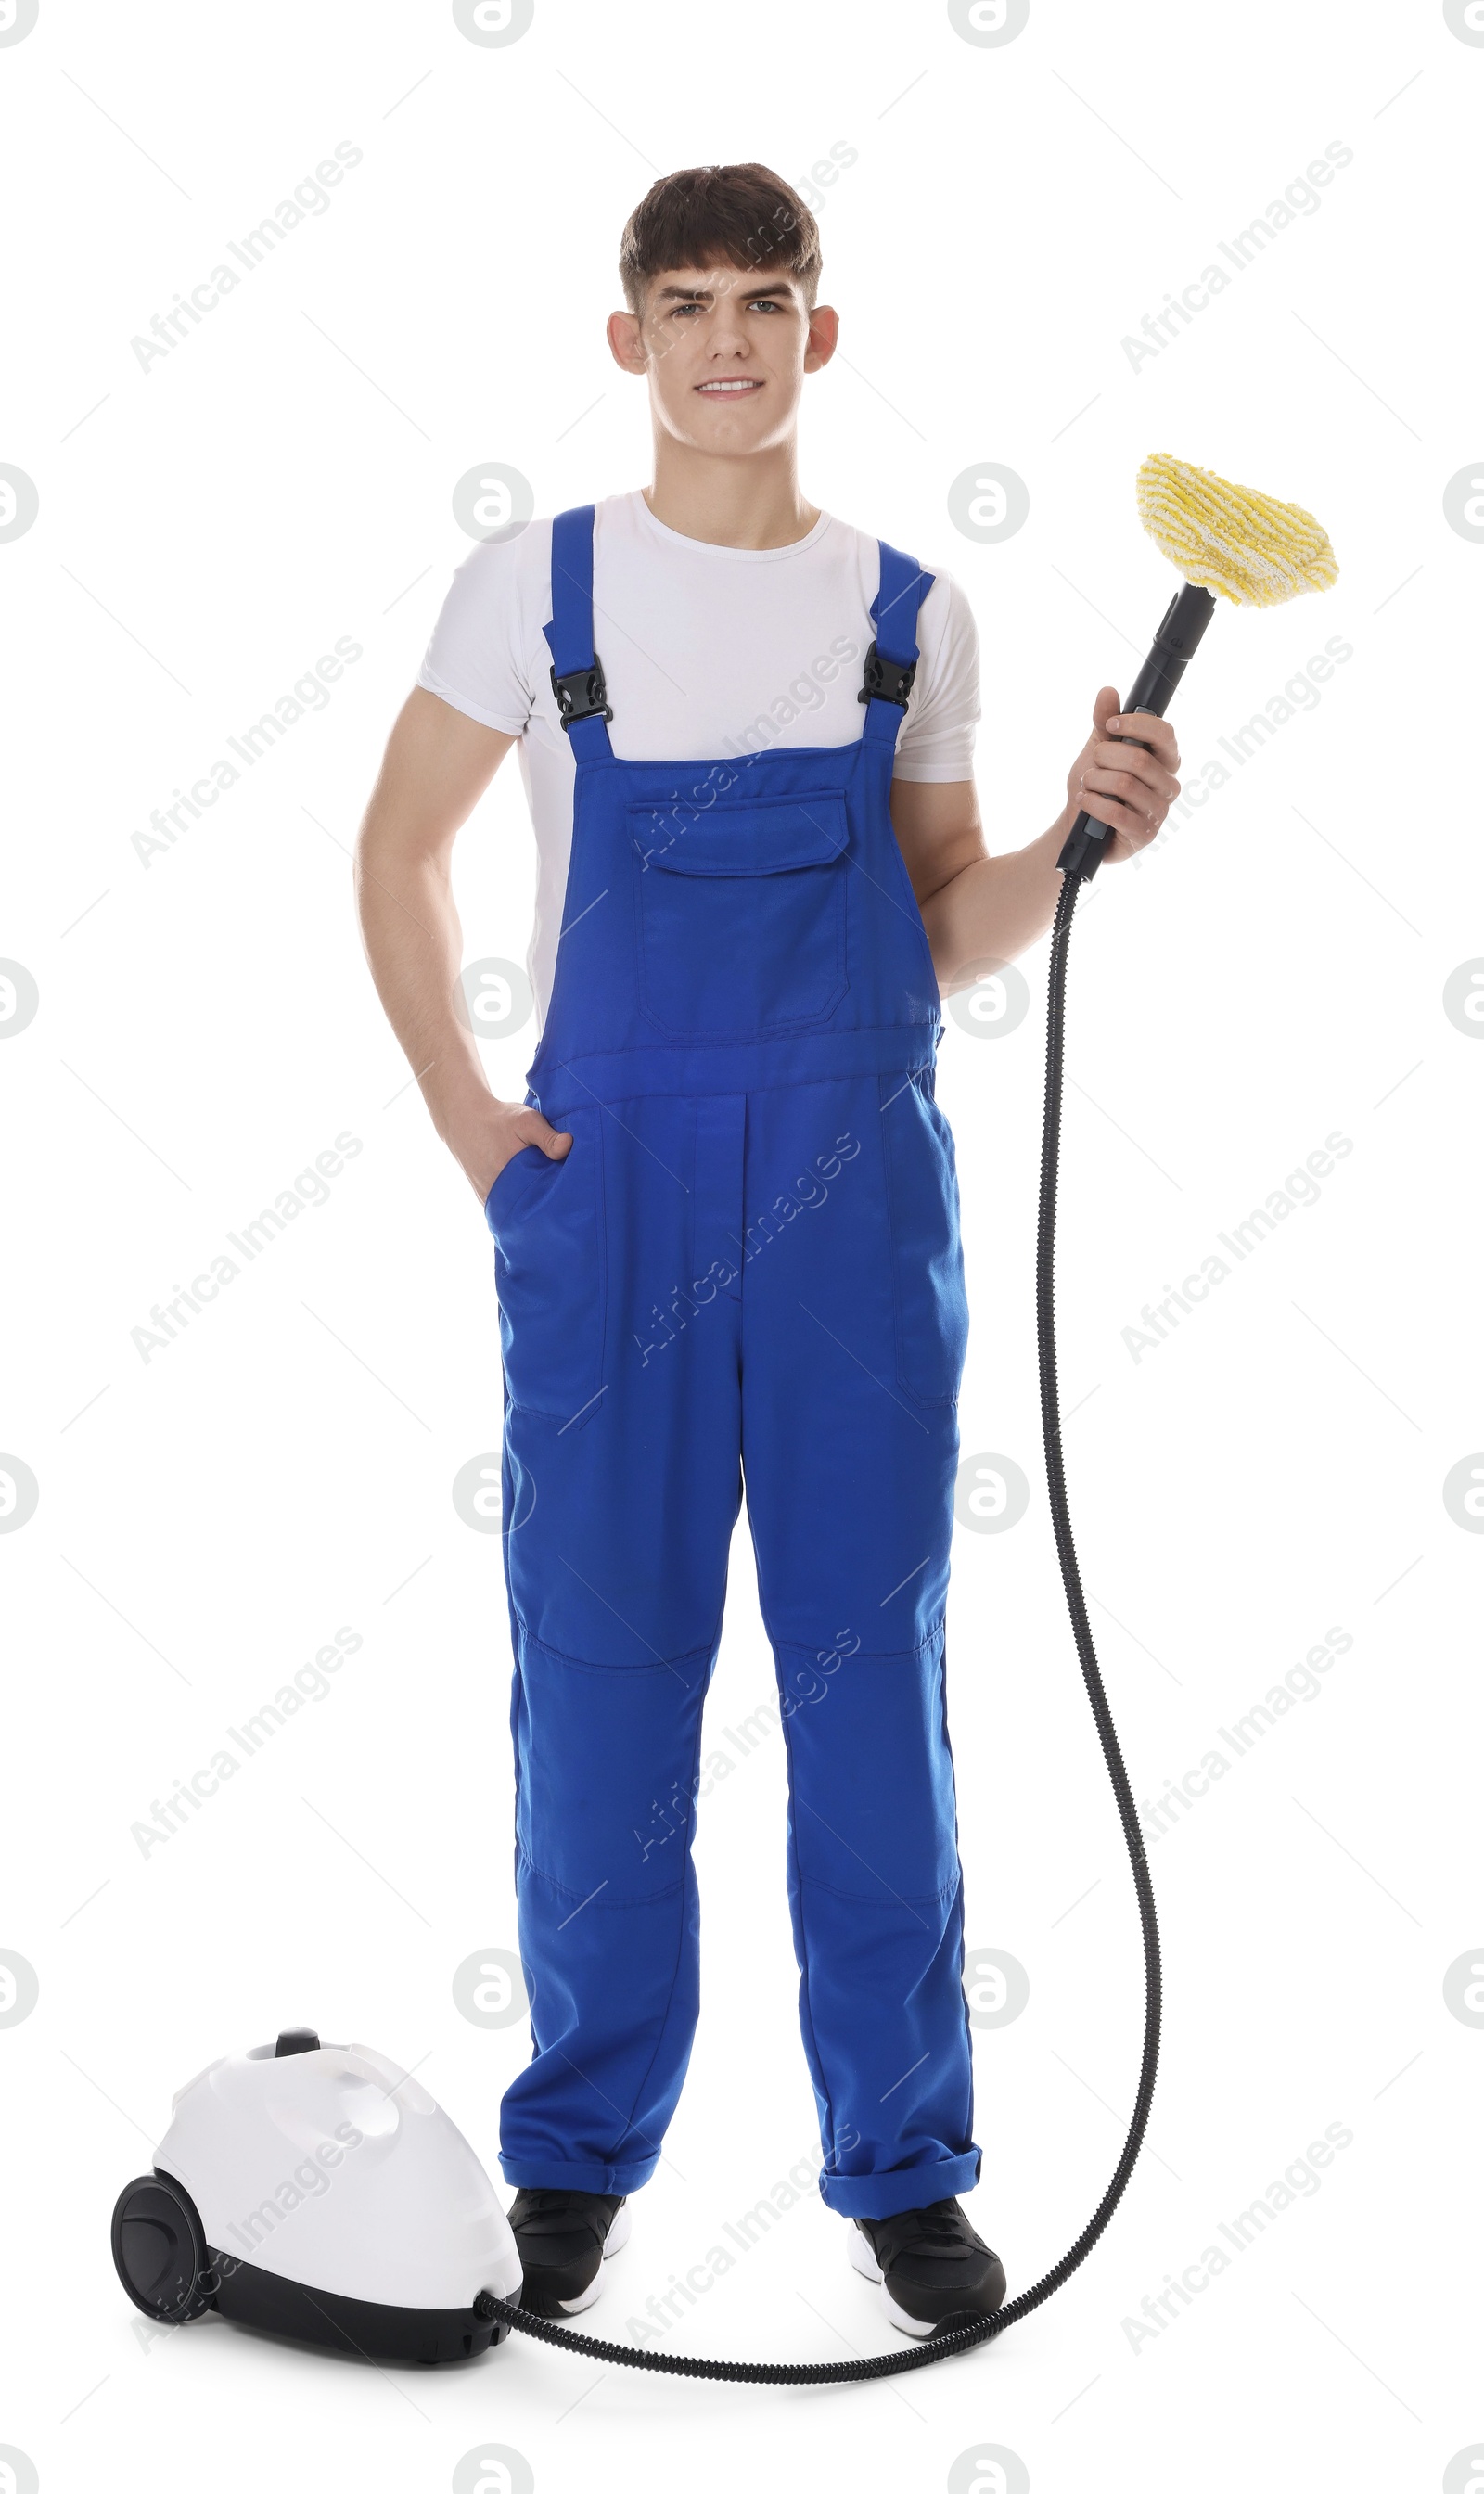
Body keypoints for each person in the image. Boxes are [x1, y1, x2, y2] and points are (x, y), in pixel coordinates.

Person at [354, 161, 1180, 2343]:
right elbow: (396, 853)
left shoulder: (905, 609)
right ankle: (571, 2158)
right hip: (601, 1194)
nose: (728, 339)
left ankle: (902, 2167)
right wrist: (470, 1121)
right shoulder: (530, 591)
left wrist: (1070, 844)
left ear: (824, 332)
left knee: (866, 1691)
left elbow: (941, 923)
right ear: (626, 340)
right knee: (603, 1692)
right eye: (688, 302)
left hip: (846, 1207)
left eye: (767, 300)